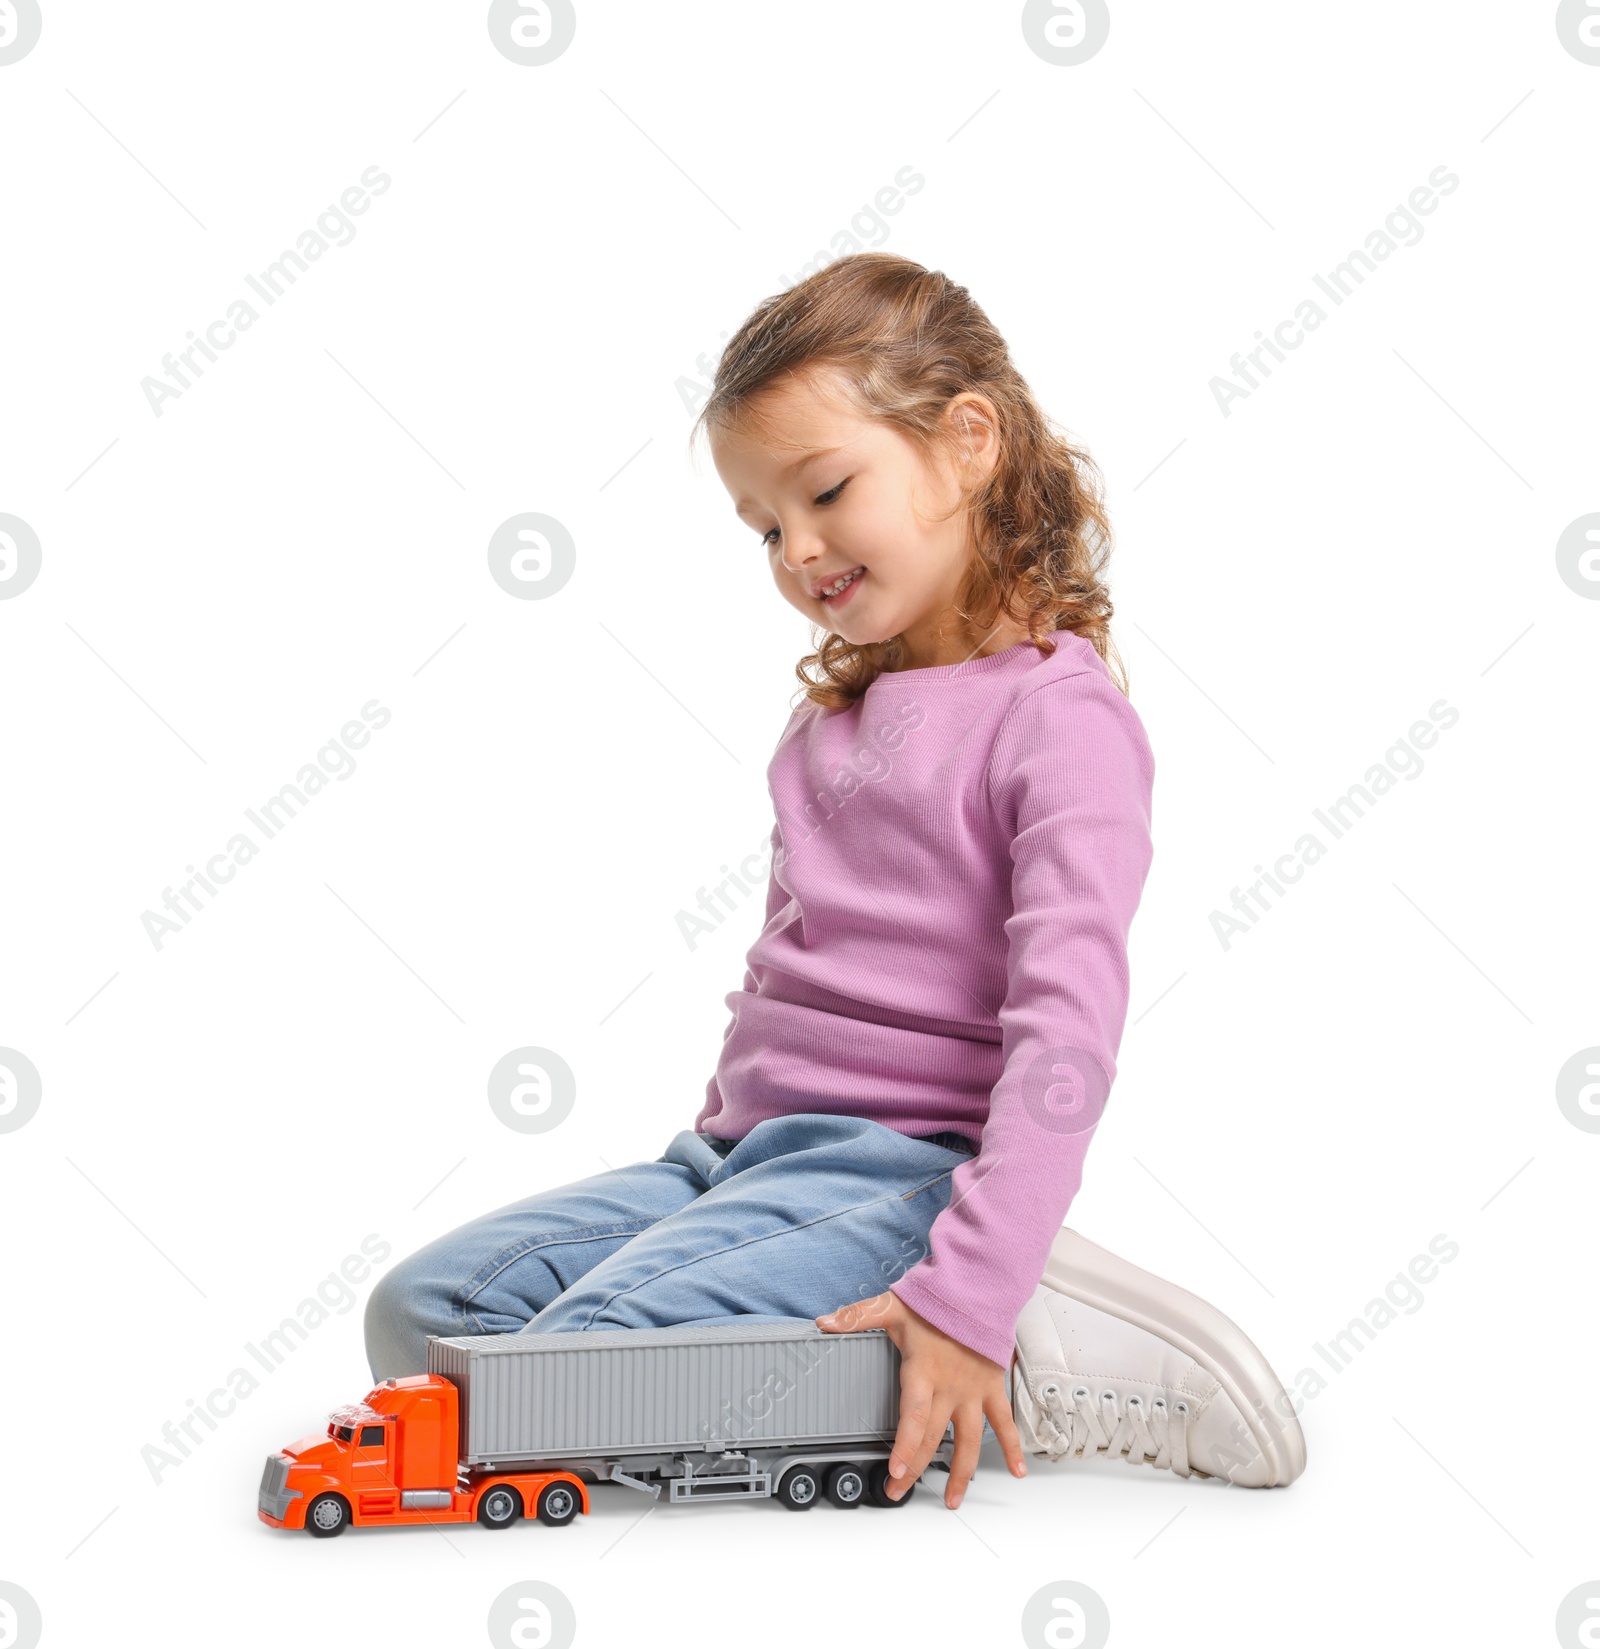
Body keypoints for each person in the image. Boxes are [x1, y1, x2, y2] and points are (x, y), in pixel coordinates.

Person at [365, 253, 1305, 1508]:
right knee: (425, 1322)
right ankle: (874, 1322)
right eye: (764, 526)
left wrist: (965, 1281)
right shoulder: (827, 729)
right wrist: (704, 1176)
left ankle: (1005, 1339)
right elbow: (788, 972)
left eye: (824, 491)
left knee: (564, 1377)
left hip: (898, 1167)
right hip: (735, 1159)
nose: (796, 549)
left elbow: (1065, 1035)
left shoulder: (1055, 718)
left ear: (966, 444)